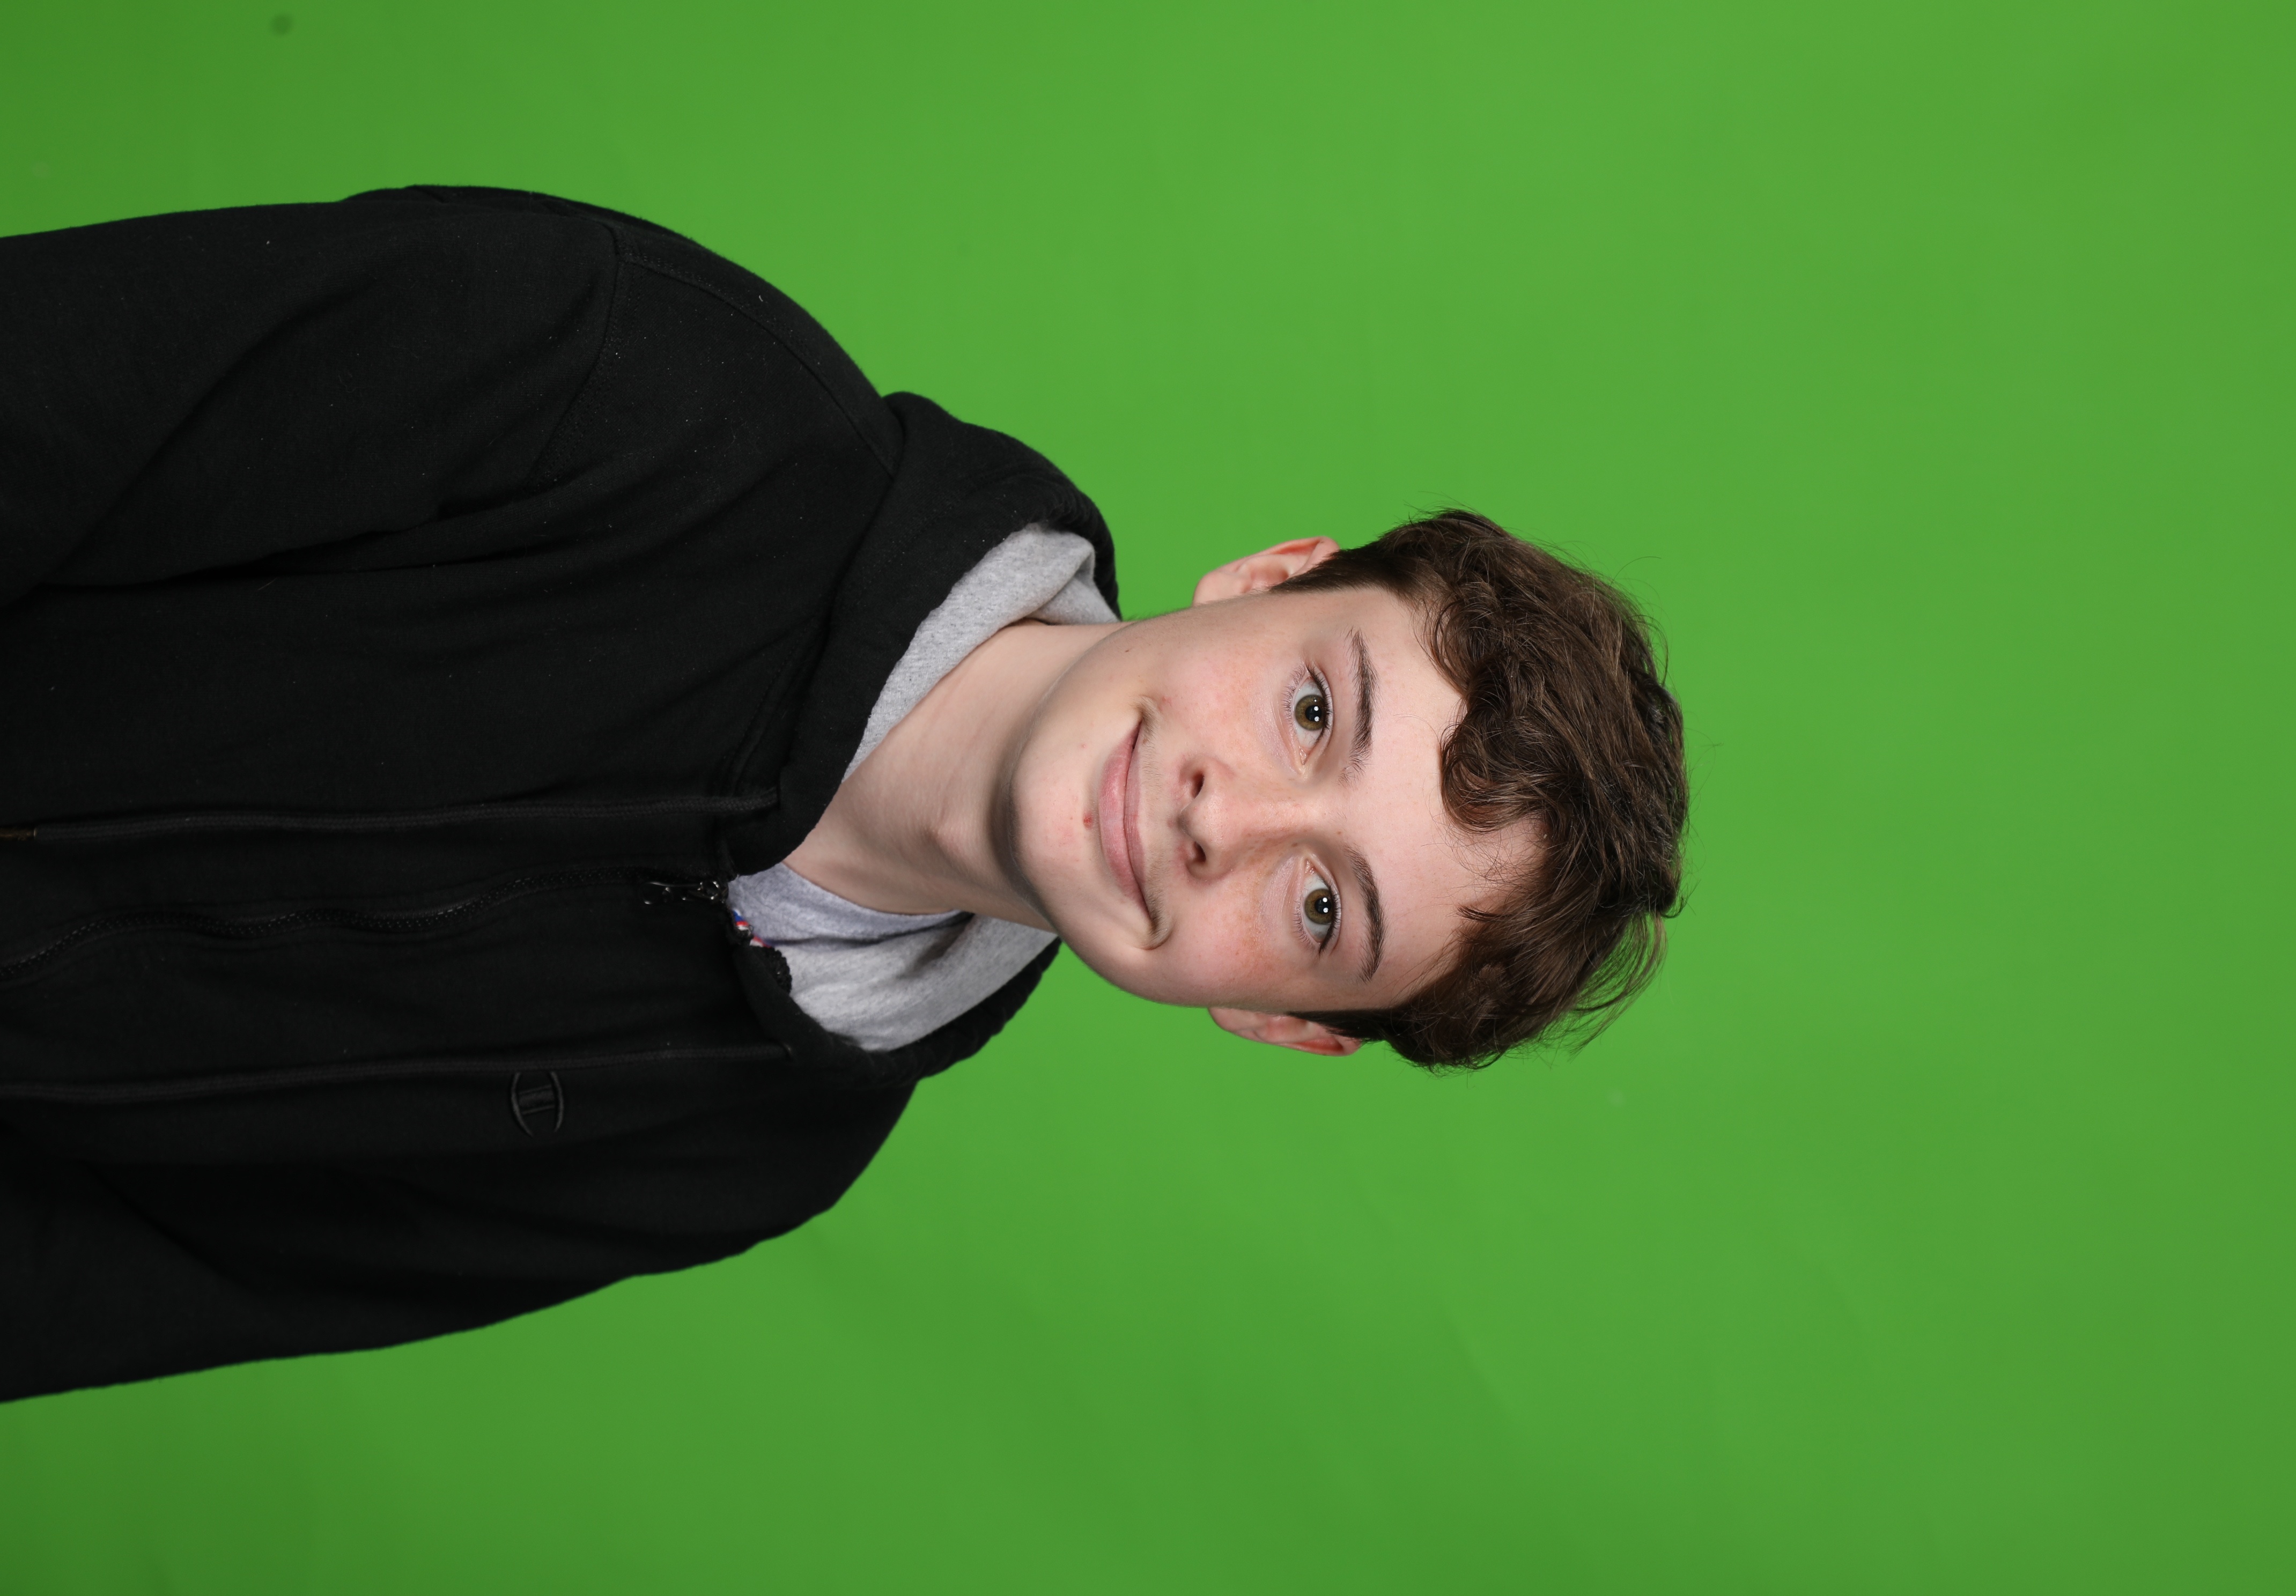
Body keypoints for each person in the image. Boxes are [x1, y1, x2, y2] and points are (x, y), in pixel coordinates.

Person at [0, 187, 1687, 1402]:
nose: (1222, 816)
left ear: (1282, 1023)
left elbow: (135, 1278)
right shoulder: (649, 379)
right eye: (1315, 711)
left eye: (1320, 908)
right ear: (1270, 577)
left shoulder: (764, 1150)